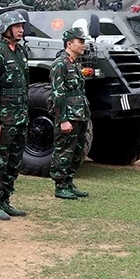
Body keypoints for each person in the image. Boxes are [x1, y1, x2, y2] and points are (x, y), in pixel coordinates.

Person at [0, 10, 30, 220]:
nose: (21, 29)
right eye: (17, 26)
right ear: (6, 29)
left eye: (22, 26)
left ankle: (6, 199)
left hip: (19, 116)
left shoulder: (20, 52)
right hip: (3, 118)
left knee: (14, 160)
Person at [51, 27, 91, 200]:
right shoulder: (60, 65)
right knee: (64, 151)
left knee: (77, 151)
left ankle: (68, 182)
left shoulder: (75, 63)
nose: (84, 45)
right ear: (69, 43)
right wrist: (63, 119)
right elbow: (58, 94)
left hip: (80, 114)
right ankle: (60, 185)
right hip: (69, 116)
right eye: (80, 41)